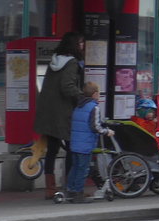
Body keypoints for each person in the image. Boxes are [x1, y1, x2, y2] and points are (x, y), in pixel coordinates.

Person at [33, 32, 85, 199]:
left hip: (47, 111)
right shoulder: (72, 63)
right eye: (81, 43)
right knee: (72, 148)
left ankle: (50, 188)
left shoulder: (54, 60)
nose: (83, 46)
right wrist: (82, 98)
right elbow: (67, 86)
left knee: (52, 150)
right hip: (63, 112)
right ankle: (71, 186)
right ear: (74, 44)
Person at [66, 81, 113, 204]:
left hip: (75, 143)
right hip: (85, 144)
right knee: (83, 169)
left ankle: (70, 190)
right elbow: (95, 127)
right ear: (95, 94)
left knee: (75, 167)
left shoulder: (78, 106)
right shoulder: (94, 107)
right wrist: (106, 131)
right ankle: (78, 193)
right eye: (99, 93)